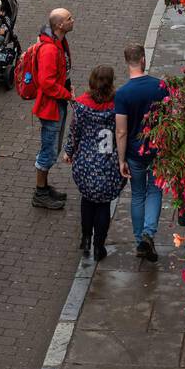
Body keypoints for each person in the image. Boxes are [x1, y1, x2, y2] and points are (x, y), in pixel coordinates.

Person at [63, 65, 125, 261]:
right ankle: (99, 245)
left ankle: (86, 238)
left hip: (86, 162)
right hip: (108, 162)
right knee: (103, 205)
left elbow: (75, 132)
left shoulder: (81, 105)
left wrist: (68, 152)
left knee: (87, 200)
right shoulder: (118, 105)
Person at [115, 43, 169, 261]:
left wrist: (121, 160)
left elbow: (121, 131)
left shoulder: (123, 94)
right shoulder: (161, 86)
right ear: (144, 60)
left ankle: (139, 241)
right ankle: (149, 232)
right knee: (155, 191)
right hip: (157, 148)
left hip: (135, 153)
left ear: (127, 62)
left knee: (137, 194)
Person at [31, 8, 74, 210]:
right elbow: (47, 83)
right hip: (51, 107)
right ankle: (40, 193)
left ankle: (44, 187)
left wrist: (67, 85)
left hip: (57, 103)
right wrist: (67, 94)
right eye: (69, 19)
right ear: (59, 25)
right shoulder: (49, 49)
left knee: (53, 146)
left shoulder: (59, 42)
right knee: (49, 149)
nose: (73, 21)